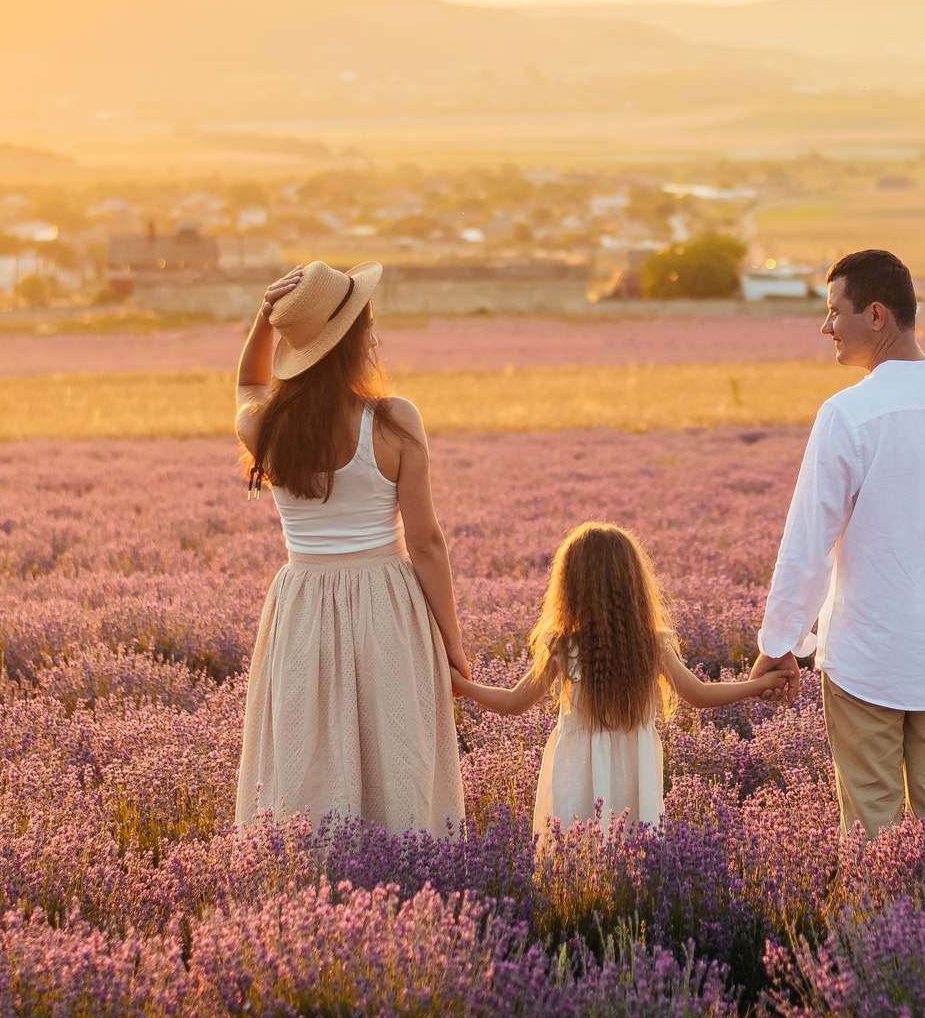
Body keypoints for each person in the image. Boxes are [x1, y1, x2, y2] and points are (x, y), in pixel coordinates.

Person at [752, 248, 925, 834]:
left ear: (875, 315)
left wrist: (780, 643)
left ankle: (876, 926)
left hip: (869, 657)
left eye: (834, 312)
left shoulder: (848, 414)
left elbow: (807, 544)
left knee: (872, 822)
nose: (825, 328)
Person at [234, 260, 468, 836]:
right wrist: (453, 646)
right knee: (395, 741)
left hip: (302, 602)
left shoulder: (267, 428)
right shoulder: (394, 420)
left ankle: (312, 876)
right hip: (385, 599)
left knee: (309, 744)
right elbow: (428, 543)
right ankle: (408, 867)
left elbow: (247, 387)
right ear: (351, 341)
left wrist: (266, 321)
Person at [453, 521, 795, 832]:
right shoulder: (651, 644)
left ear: (570, 585)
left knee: (577, 857)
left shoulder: (563, 645)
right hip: (635, 764)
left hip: (577, 767)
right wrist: (759, 685)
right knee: (636, 854)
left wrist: (464, 686)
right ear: (633, 583)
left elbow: (516, 702)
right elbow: (699, 694)